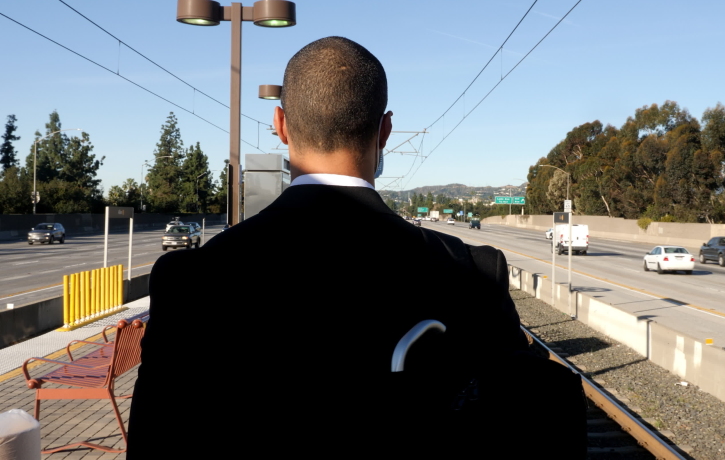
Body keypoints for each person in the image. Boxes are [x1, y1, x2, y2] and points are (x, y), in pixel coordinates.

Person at [128, 37, 582, 457]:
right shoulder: (474, 272)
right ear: (385, 132)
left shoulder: (192, 280)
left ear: (280, 125)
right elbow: (532, 421)